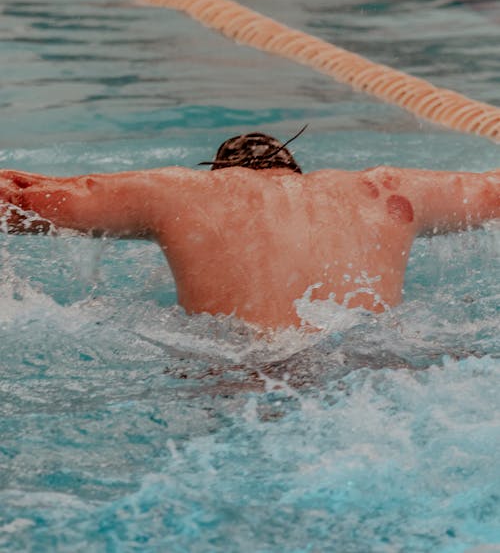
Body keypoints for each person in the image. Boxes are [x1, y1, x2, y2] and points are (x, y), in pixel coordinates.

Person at [0, 132, 498, 331]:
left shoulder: (182, 191)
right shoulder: (382, 190)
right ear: (294, 171)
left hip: (234, 369)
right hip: (365, 363)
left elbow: (22, 201)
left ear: (220, 174)